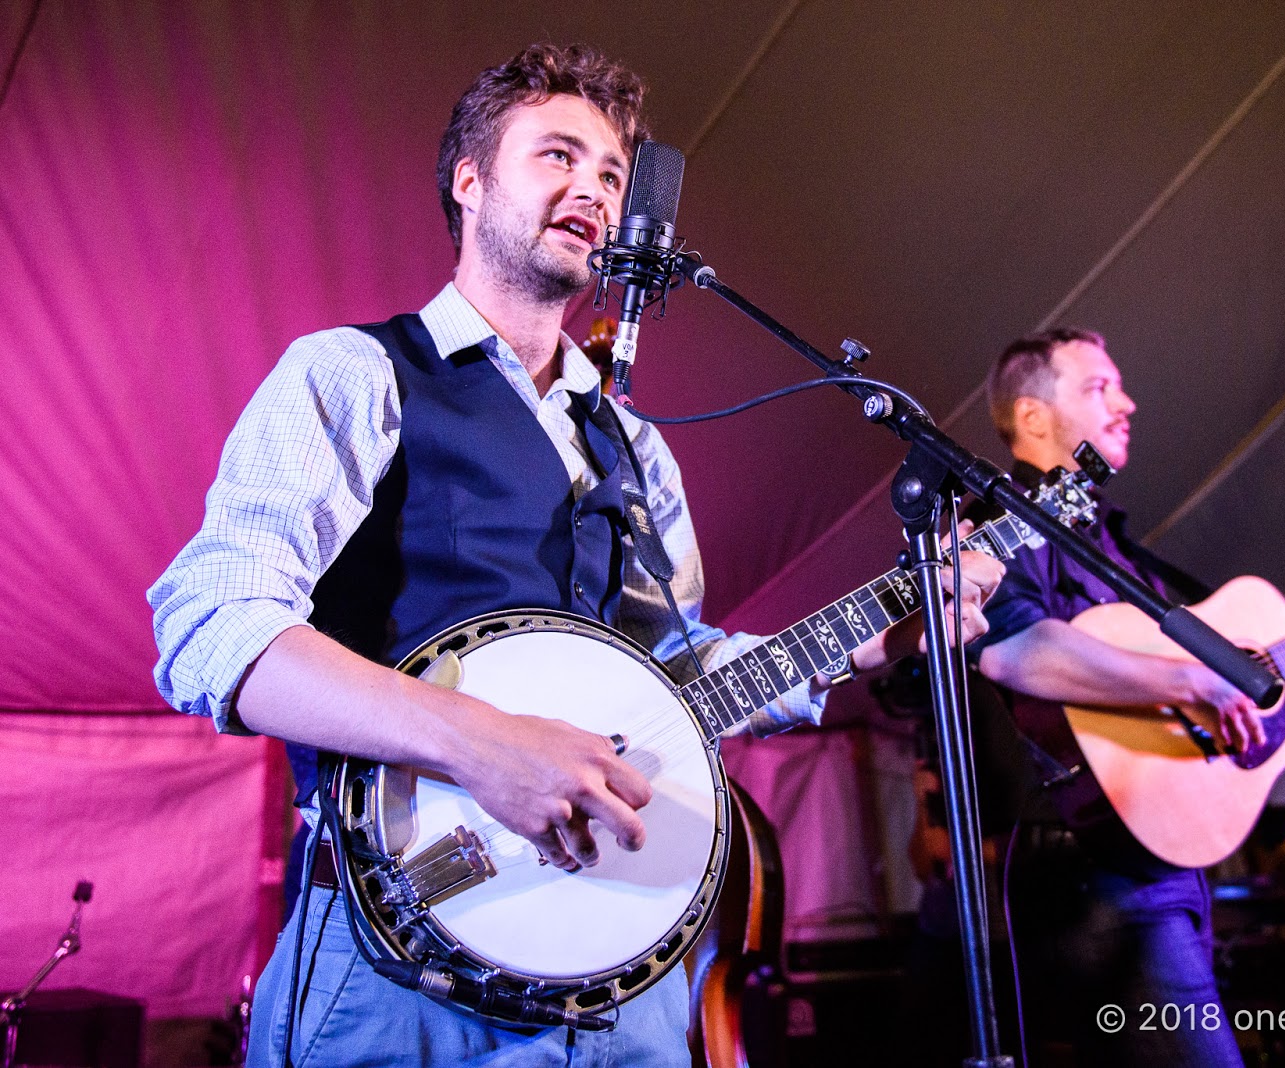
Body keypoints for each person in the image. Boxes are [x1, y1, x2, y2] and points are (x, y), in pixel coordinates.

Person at [148, 43, 1001, 1068]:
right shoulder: (353, 374)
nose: (593, 190)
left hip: (625, 989)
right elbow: (212, 624)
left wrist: (864, 639)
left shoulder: (637, 449)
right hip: (394, 973)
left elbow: (672, 681)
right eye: (558, 155)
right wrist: (481, 742)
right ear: (470, 181)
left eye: (609, 173)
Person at [969, 327, 1285, 1067]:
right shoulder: (1003, 528)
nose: (1127, 402)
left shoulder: (1113, 545)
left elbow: (1238, 667)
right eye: (1098, 387)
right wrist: (1190, 681)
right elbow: (1013, 652)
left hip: (1160, 866)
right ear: (1032, 418)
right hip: (1089, 864)